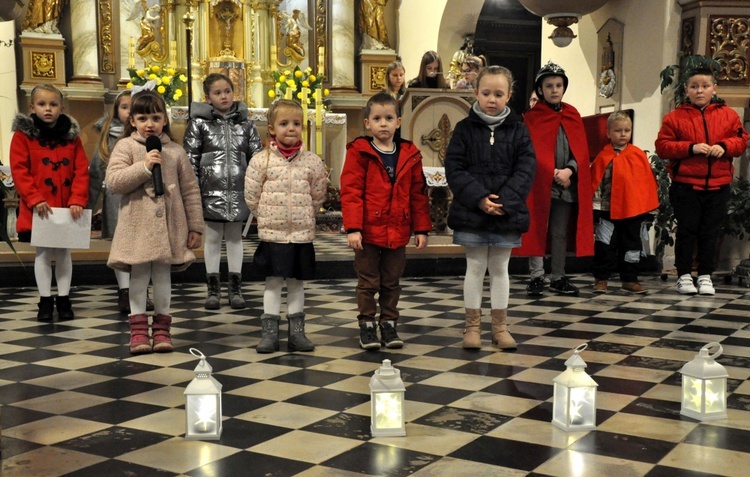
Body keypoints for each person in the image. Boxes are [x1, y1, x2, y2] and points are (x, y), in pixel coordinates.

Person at [106, 90, 204, 354]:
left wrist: (196, 225)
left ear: (164, 120)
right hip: (137, 226)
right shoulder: (125, 146)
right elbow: (114, 181)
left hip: (169, 225)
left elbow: (191, 190)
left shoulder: (175, 151)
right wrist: (144, 167)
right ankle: (138, 331)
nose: (149, 123)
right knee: (138, 276)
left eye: (156, 117)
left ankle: (162, 330)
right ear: (133, 121)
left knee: (162, 276)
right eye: (142, 118)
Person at [446, 66, 535, 350]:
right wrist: (481, 199)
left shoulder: (519, 130)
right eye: (486, 93)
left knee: (500, 267)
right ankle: (472, 328)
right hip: (473, 210)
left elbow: (526, 169)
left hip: (506, 211)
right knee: (475, 266)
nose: (492, 99)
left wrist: (504, 201)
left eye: (498, 94)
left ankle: (500, 328)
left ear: (509, 95)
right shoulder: (464, 129)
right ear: (476, 93)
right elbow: (455, 168)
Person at [340, 92, 432, 350]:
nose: (383, 123)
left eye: (389, 118)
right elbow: (351, 192)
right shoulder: (360, 152)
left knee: (392, 281)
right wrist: (354, 228)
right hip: (367, 232)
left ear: (398, 122)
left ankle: (389, 324)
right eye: (377, 118)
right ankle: (367, 325)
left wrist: (421, 228)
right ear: (367, 123)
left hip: (398, 230)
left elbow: (417, 194)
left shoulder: (409, 154)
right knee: (368, 281)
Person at [655, 65, 749, 295]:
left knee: (711, 231)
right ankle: (684, 275)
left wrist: (723, 146)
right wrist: (691, 148)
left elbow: (741, 140)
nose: (700, 91)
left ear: (714, 89)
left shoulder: (728, 115)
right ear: (686, 90)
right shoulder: (675, 117)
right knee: (687, 231)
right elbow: (663, 146)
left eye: (705, 86)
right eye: (694, 86)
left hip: (718, 185)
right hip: (686, 185)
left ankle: (705, 275)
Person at [244, 99, 327, 353]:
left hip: (301, 234)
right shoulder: (262, 160)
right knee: (272, 281)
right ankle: (269, 333)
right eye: (284, 123)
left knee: (296, 282)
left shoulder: (311, 161)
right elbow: (251, 195)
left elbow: (318, 193)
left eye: (296, 123)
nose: (291, 128)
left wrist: (305, 216)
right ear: (271, 129)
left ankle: (296, 333)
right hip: (273, 234)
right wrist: (267, 216)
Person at [10, 84, 89, 321]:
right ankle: (45, 300)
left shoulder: (72, 137)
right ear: (32, 107)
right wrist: (34, 198)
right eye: (42, 104)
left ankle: (63, 299)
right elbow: (19, 170)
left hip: (66, 207)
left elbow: (81, 170)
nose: (48, 109)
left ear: (61, 107)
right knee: (43, 253)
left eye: (53, 105)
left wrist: (77, 199)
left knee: (64, 253)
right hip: (40, 207)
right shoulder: (23, 136)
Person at [183, 73, 262, 310]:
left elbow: (256, 156)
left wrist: (255, 186)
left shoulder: (246, 124)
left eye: (227, 91)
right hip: (210, 191)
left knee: (236, 239)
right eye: (217, 93)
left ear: (233, 92)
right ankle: (213, 289)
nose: (223, 96)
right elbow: (190, 159)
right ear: (207, 97)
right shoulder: (198, 124)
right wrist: (195, 189)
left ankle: (235, 289)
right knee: (214, 239)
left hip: (239, 191)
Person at [517, 60, 594, 297]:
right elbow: (529, 150)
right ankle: (537, 276)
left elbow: (580, 151)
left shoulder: (572, 114)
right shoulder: (533, 117)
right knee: (538, 228)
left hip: (566, 184)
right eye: (549, 85)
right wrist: (549, 171)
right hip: (541, 184)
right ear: (540, 89)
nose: (554, 90)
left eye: (559, 85)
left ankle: (558, 276)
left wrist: (569, 170)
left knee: (559, 232)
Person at [88, 90, 155, 314]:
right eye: (124, 107)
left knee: (142, 245)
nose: (128, 112)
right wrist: (89, 203)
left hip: (144, 198)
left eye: (132, 107)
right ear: (117, 111)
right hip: (116, 198)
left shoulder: (149, 136)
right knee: (122, 244)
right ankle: (125, 291)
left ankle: (142, 290)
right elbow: (97, 171)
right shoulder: (109, 136)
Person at [591, 111, 659, 294]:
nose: (623, 134)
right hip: (607, 211)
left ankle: (630, 279)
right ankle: (601, 279)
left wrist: (649, 211)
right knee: (604, 245)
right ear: (608, 133)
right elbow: (597, 184)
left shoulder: (637, 155)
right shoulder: (602, 156)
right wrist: (595, 208)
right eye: (618, 130)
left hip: (632, 211)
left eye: (627, 130)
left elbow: (646, 185)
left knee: (632, 247)